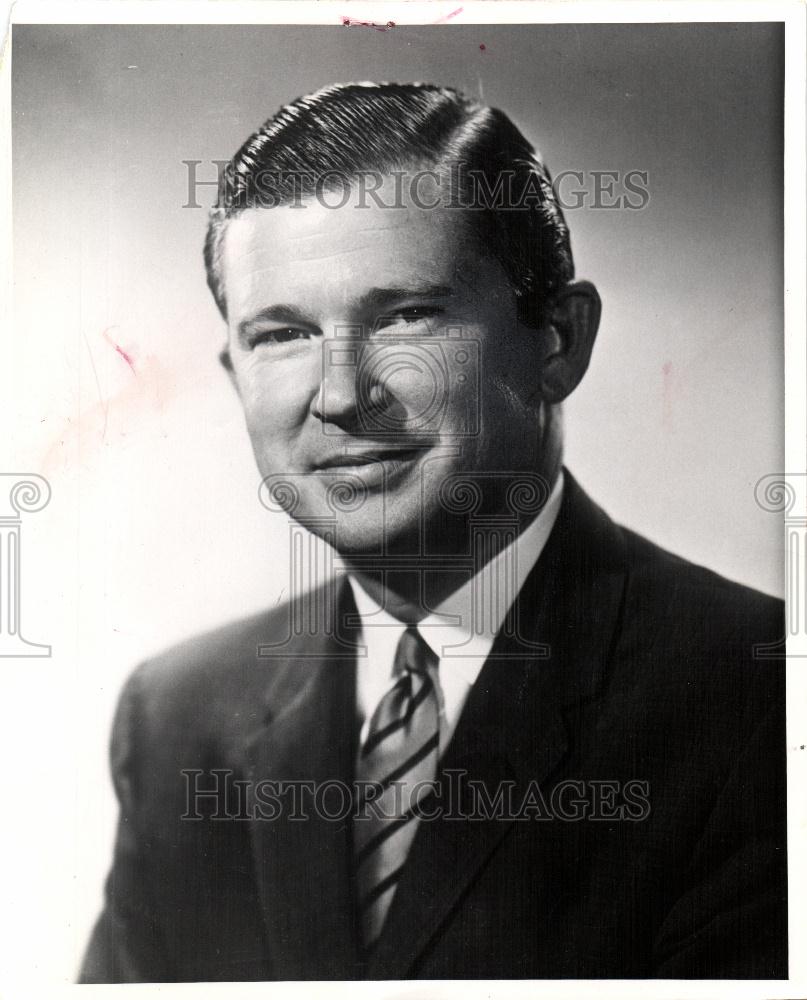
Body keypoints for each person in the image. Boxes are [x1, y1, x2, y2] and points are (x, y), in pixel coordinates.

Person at [80, 82, 787, 982]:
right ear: (233, 372)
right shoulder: (177, 718)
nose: (339, 395)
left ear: (559, 341)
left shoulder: (757, 703)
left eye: (406, 316)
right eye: (282, 335)